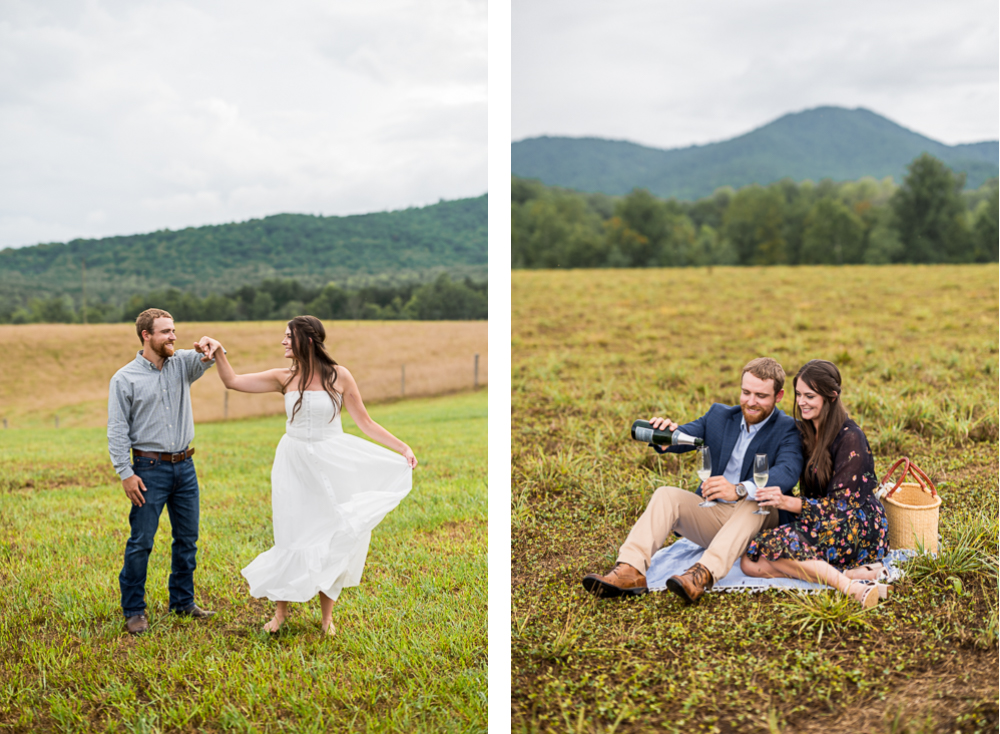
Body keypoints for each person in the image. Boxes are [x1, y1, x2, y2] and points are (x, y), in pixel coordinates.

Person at [205, 315, 416, 636]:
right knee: (291, 531)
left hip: (333, 460)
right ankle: (280, 615)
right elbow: (232, 381)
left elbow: (366, 423)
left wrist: (402, 447)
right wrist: (219, 351)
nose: (283, 342)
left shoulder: (339, 376)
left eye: (288, 336)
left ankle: (327, 619)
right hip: (293, 462)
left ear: (308, 339)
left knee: (333, 532)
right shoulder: (284, 377)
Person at [582, 357, 804, 604]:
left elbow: (787, 471)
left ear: (779, 396)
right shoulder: (719, 415)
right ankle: (630, 571)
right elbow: (685, 435)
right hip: (715, 515)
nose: (751, 402)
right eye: (746, 392)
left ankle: (701, 575)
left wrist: (740, 489)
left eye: (761, 396)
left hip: (759, 523)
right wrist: (666, 435)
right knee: (666, 494)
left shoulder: (789, 428)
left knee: (756, 501)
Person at [109, 308, 223, 636]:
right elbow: (117, 430)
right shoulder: (125, 378)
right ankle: (134, 610)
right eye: (165, 332)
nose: (173, 336)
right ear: (146, 335)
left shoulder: (182, 364)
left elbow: (212, 353)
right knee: (141, 542)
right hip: (148, 469)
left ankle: (183, 602)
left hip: (185, 467)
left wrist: (209, 344)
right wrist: (125, 473)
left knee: (187, 540)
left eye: (173, 330)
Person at [740, 360, 890, 607]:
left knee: (760, 554)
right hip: (820, 518)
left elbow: (841, 507)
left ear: (831, 396)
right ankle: (849, 576)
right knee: (750, 563)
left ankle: (850, 589)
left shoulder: (851, 437)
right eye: (798, 394)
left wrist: (788, 502)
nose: (801, 402)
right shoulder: (804, 432)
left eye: (810, 396)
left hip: (857, 524)